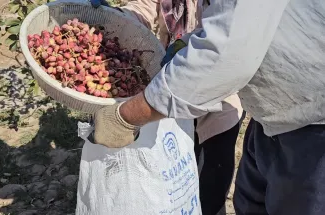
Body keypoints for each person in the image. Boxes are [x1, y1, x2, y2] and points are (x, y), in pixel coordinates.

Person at [93, 0, 325, 214]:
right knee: (251, 203)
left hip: (311, 125)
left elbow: (226, 54)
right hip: (272, 117)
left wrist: (126, 117)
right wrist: (119, 16)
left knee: (213, 178)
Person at [90, 0, 244, 214]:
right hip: (169, 94)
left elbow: (225, 35)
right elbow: (146, 4)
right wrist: (120, 16)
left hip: (218, 103)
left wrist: (186, 47)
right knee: (177, 175)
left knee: (210, 179)